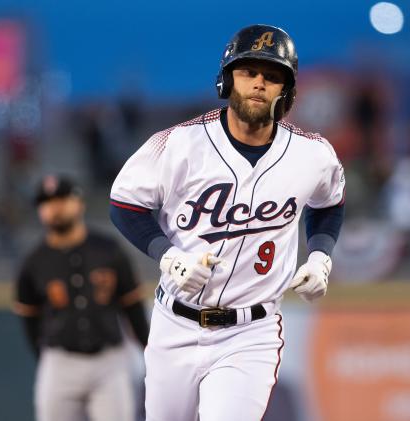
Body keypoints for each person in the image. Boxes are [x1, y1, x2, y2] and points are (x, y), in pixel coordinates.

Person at [110, 24, 345, 421]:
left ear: (286, 92)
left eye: (272, 77)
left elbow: (330, 202)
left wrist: (321, 256)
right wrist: (167, 257)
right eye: (248, 72)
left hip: (250, 332)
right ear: (227, 79)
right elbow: (124, 204)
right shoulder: (179, 144)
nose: (258, 84)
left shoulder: (312, 154)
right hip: (174, 325)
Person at [13, 174, 149, 421]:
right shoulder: (33, 262)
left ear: (80, 203)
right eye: (46, 202)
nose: (54, 207)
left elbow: (132, 306)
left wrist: (148, 349)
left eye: (62, 199)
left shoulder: (108, 250)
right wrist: (45, 357)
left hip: (110, 361)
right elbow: (29, 319)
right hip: (60, 362)